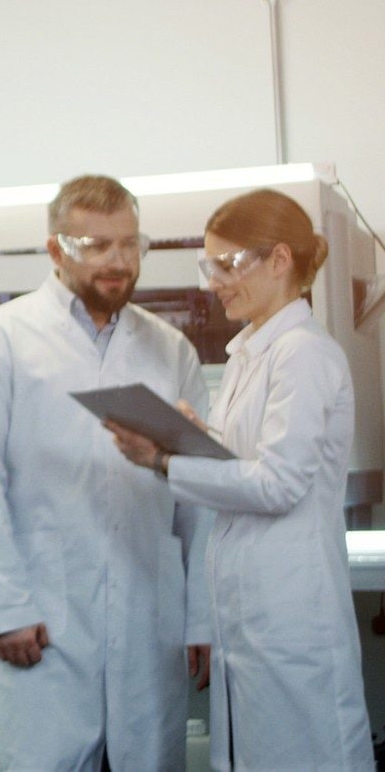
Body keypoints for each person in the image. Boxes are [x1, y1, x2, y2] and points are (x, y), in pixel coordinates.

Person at [0, 174, 213, 771]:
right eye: (96, 247)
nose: (117, 262)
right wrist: (8, 608)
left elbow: (198, 498)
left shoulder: (171, 350)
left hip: (151, 616)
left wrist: (203, 616)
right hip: (45, 615)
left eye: (129, 245)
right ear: (55, 249)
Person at [106, 188, 373, 770]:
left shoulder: (303, 353)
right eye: (210, 266)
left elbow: (277, 485)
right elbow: (242, 461)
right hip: (251, 614)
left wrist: (165, 461)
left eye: (226, 265)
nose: (212, 282)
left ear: (279, 260)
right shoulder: (251, 352)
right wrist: (189, 436)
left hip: (289, 614)